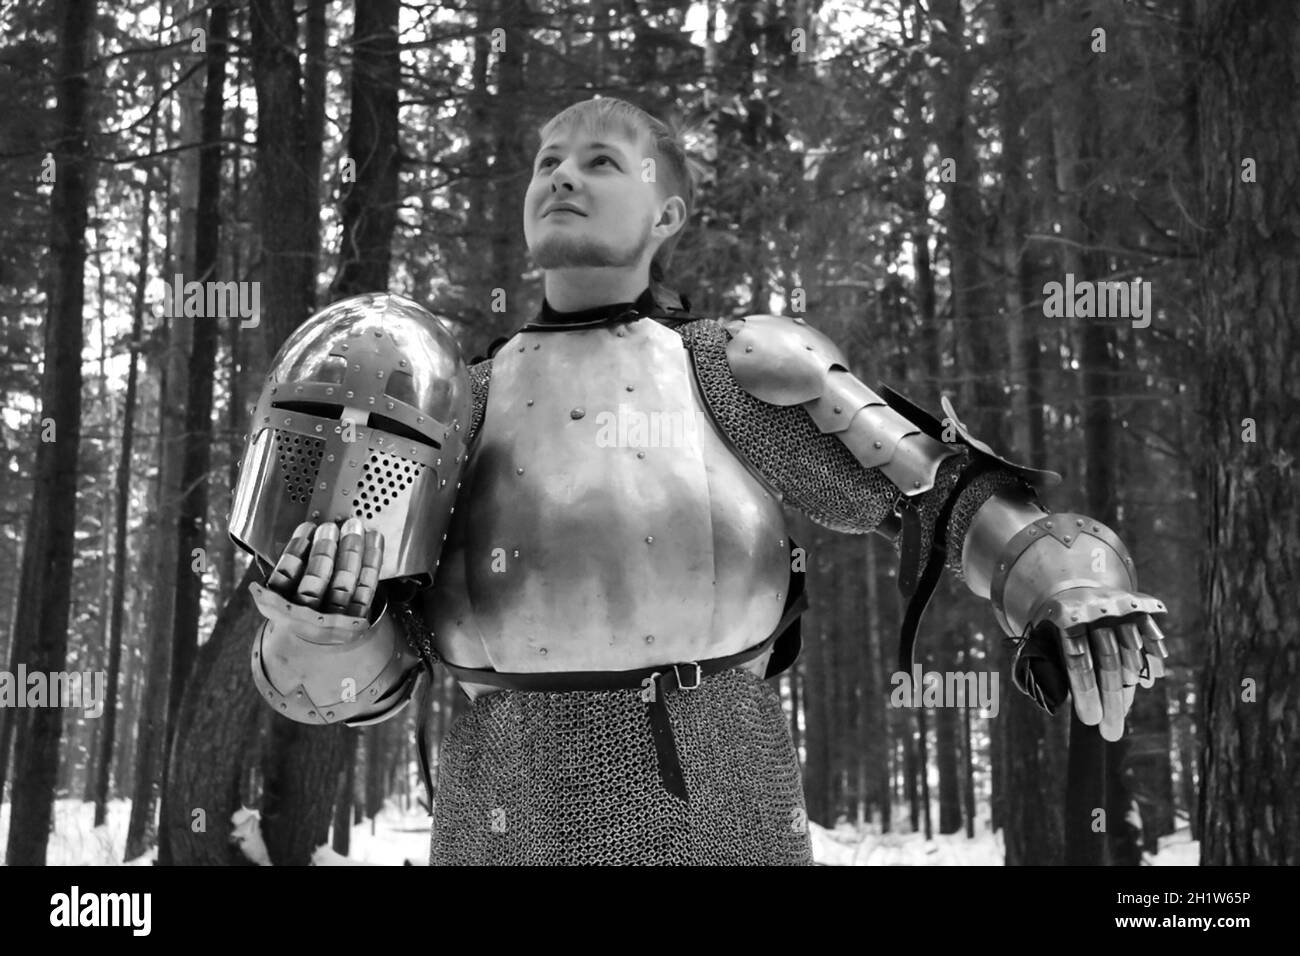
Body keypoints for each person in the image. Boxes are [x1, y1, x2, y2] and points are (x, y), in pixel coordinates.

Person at [242, 97, 1169, 865]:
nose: (561, 176)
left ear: (667, 216)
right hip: (502, 808)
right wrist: (320, 627)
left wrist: (1069, 582)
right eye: (547, 161)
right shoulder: (459, 404)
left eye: (601, 161)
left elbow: (935, 494)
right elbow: (378, 659)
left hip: (722, 795)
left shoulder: (731, 369)